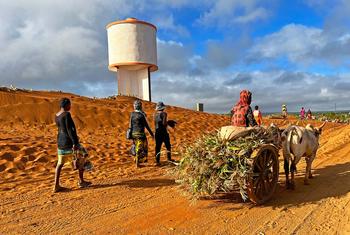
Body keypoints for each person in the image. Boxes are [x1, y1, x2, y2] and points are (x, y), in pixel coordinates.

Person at [54, 98, 91, 193]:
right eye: (69, 105)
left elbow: (61, 129)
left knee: (60, 164)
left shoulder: (57, 115)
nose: (70, 107)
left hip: (60, 143)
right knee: (82, 157)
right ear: (66, 105)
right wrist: (75, 143)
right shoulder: (67, 114)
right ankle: (81, 181)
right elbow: (70, 130)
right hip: (69, 143)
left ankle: (56, 185)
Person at [129, 100, 154, 167]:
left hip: (133, 134)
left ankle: (135, 158)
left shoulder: (132, 114)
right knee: (144, 146)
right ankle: (139, 161)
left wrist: (130, 133)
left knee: (135, 145)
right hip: (141, 134)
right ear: (140, 107)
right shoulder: (141, 115)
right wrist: (152, 134)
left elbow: (130, 125)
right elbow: (146, 126)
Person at [154, 102, 174, 166]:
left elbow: (156, 123)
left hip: (157, 132)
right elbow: (164, 123)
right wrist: (169, 122)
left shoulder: (155, 114)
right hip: (163, 132)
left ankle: (157, 161)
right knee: (168, 145)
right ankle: (169, 159)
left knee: (158, 147)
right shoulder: (164, 114)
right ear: (163, 108)